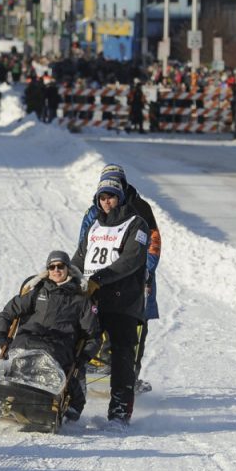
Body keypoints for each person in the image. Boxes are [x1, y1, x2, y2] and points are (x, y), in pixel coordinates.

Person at [71, 174, 149, 424]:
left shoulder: (136, 224)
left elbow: (132, 260)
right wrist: (64, 279)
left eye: (111, 197)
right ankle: (74, 404)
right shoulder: (94, 225)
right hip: (93, 300)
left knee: (122, 356)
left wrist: (100, 278)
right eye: (102, 197)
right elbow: (79, 259)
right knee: (78, 351)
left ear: (121, 198)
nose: (107, 202)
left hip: (123, 301)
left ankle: (119, 411)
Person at [77, 164, 161, 394]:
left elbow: (153, 242)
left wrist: (147, 271)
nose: (107, 200)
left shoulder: (141, 209)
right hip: (97, 280)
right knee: (91, 322)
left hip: (134, 279)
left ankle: (129, 373)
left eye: (113, 192)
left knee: (136, 326)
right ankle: (94, 365)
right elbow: (84, 244)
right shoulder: (93, 212)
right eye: (102, 195)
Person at [0, 250, 101, 422]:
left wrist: (83, 357)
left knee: (52, 359)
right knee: (18, 354)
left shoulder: (80, 300)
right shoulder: (37, 291)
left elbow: (94, 335)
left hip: (59, 346)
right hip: (27, 340)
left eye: (60, 266)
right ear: (47, 270)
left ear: (68, 269)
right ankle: (10, 395)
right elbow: (6, 314)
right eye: (52, 267)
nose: (56, 270)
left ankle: (47, 399)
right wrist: (2, 336)